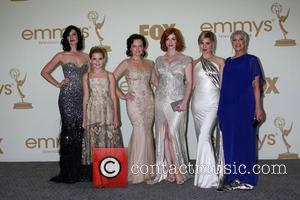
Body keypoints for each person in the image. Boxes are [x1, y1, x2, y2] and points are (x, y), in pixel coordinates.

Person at [41, 25, 89, 183]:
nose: (71, 37)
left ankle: (80, 170)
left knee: (82, 133)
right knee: (69, 133)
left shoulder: (87, 56)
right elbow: (44, 72)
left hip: (83, 98)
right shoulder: (61, 55)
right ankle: (68, 170)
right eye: (68, 35)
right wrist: (57, 84)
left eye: (74, 34)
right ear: (66, 38)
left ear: (78, 36)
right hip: (67, 98)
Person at [218, 30, 265, 190]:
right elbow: (224, 86)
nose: (237, 43)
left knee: (246, 142)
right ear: (231, 42)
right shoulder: (228, 62)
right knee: (230, 142)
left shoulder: (252, 60)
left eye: (241, 40)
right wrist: (221, 109)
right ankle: (233, 177)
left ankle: (247, 179)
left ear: (245, 42)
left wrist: (258, 108)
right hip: (228, 108)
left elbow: (256, 86)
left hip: (245, 107)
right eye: (235, 40)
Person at [113, 34, 155, 184]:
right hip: (134, 102)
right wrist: (122, 95)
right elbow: (111, 79)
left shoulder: (150, 63)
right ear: (130, 48)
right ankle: (136, 172)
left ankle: (147, 171)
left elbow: (157, 82)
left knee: (147, 132)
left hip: (149, 101)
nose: (137, 49)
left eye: (140, 46)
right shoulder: (126, 63)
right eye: (134, 46)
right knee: (140, 130)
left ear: (144, 47)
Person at [153, 28, 193, 184]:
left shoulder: (186, 59)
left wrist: (184, 101)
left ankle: (178, 170)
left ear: (178, 41)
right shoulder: (158, 60)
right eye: (167, 39)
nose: (170, 42)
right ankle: (170, 170)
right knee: (163, 136)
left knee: (173, 134)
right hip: (160, 100)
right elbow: (155, 79)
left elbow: (189, 82)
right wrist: (161, 89)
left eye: (173, 39)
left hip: (177, 101)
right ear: (164, 41)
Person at [81, 46, 123, 180]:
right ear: (90, 60)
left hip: (107, 111)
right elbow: (86, 97)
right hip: (92, 111)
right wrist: (84, 119)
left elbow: (113, 96)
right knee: (95, 140)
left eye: (100, 59)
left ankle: (109, 172)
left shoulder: (109, 75)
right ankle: (97, 173)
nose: (97, 62)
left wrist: (116, 116)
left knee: (107, 139)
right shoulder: (86, 76)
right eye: (94, 59)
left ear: (104, 59)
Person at [191, 31, 225, 188]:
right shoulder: (193, 63)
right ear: (199, 44)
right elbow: (190, 86)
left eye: (208, 43)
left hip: (213, 104)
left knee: (205, 137)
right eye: (202, 43)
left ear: (213, 44)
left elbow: (223, 87)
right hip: (197, 105)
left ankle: (209, 179)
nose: (204, 46)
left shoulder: (220, 62)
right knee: (201, 139)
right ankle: (206, 175)